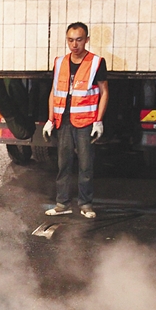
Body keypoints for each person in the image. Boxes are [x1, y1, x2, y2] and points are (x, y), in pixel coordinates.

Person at [42, 22, 108, 219]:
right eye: (70, 40)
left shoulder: (96, 62)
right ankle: (62, 203)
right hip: (64, 120)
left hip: (85, 121)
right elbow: (54, 91)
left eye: (79, 39)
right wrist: (50, 119)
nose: (74, 44)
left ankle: (86, 204)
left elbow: (104, 92)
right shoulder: (60, 62)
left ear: (86, 40)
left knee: (85, 165)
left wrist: (99, 120)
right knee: (64, 164)